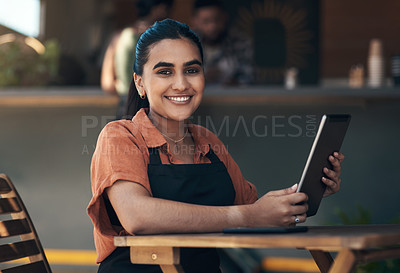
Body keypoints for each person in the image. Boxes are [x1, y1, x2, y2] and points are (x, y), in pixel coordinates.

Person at [87, 19, 345, 273]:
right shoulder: (120, 136)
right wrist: (248, 216)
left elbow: (256, 210)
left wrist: (306, 193)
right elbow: (138, 217)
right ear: (140, 83)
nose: (181, 84)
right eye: (165, 71)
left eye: (191, 70)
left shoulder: (208, 142)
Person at [100, 0, 173, 118]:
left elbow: (107, 85)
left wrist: (126, 89)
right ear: (161, 8)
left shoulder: (118, 37)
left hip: (126, 108)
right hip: (157, 111)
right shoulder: (166, 39)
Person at [191, 0, 254, 85]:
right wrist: (203, 77)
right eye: (206, 21)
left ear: (225, 17)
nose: (212, 26)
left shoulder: (240, 42)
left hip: (232, 97)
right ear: (195, 21)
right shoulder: (188, 44)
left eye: (217, 20)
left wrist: (235, 82)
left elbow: (250, 76)